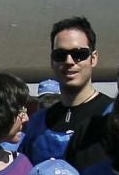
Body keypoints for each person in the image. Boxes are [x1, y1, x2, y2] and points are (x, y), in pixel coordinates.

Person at [22, 17, 109, 162]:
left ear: (93, 58)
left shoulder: (114, 116)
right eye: (60, 55)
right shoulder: (38, 123)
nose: (69, 61)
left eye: (79, 54)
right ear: (52, 61)